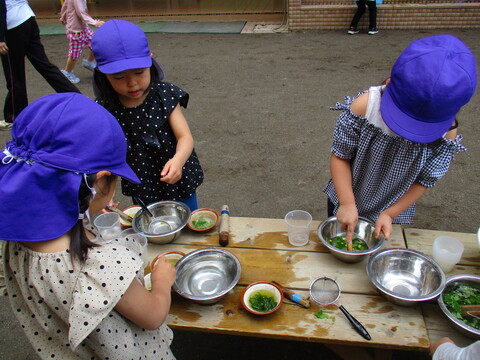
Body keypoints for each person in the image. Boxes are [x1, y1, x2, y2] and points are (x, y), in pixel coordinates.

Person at [0, 92, 176, 359]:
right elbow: (152, 316)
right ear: (100, 179)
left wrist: (85, 211)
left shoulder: (12, 240)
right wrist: (162, 282)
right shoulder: (98, 266)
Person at [323, 34, 477, 245]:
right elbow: (340, 156)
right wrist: (347, 203)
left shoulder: (447, 133)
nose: (408, 134)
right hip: (346, 192)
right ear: (390, 83)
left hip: (391, 205)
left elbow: (424, 180)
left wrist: (390, 214)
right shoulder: (365, 107)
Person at [91, 19, 204, 211]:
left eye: (139, 73)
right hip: (142, 184)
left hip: (176, 177)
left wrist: (178, 160)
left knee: (188, 221)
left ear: (150, 61)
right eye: (119, 78)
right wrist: (102, 194)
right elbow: (104, 156)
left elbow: (185, 137)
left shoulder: (164, 95)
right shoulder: (105, 109)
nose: (132, 83)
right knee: (150, 227)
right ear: (102, 75)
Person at [0, 0, 80, 130]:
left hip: (12, 26)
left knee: (14, 75)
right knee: (45, 66)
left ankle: (13, 117)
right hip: (28, 19)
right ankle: (76, 96)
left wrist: (0, 38)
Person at [59, 0, 105, 83]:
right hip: (76, 32)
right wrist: (96, 23)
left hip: (83, 28)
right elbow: (81, 13)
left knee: (95, 43)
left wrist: (63, 17)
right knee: (74, 55)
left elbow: (65, 6)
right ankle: (67, 73)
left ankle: (89, 62)